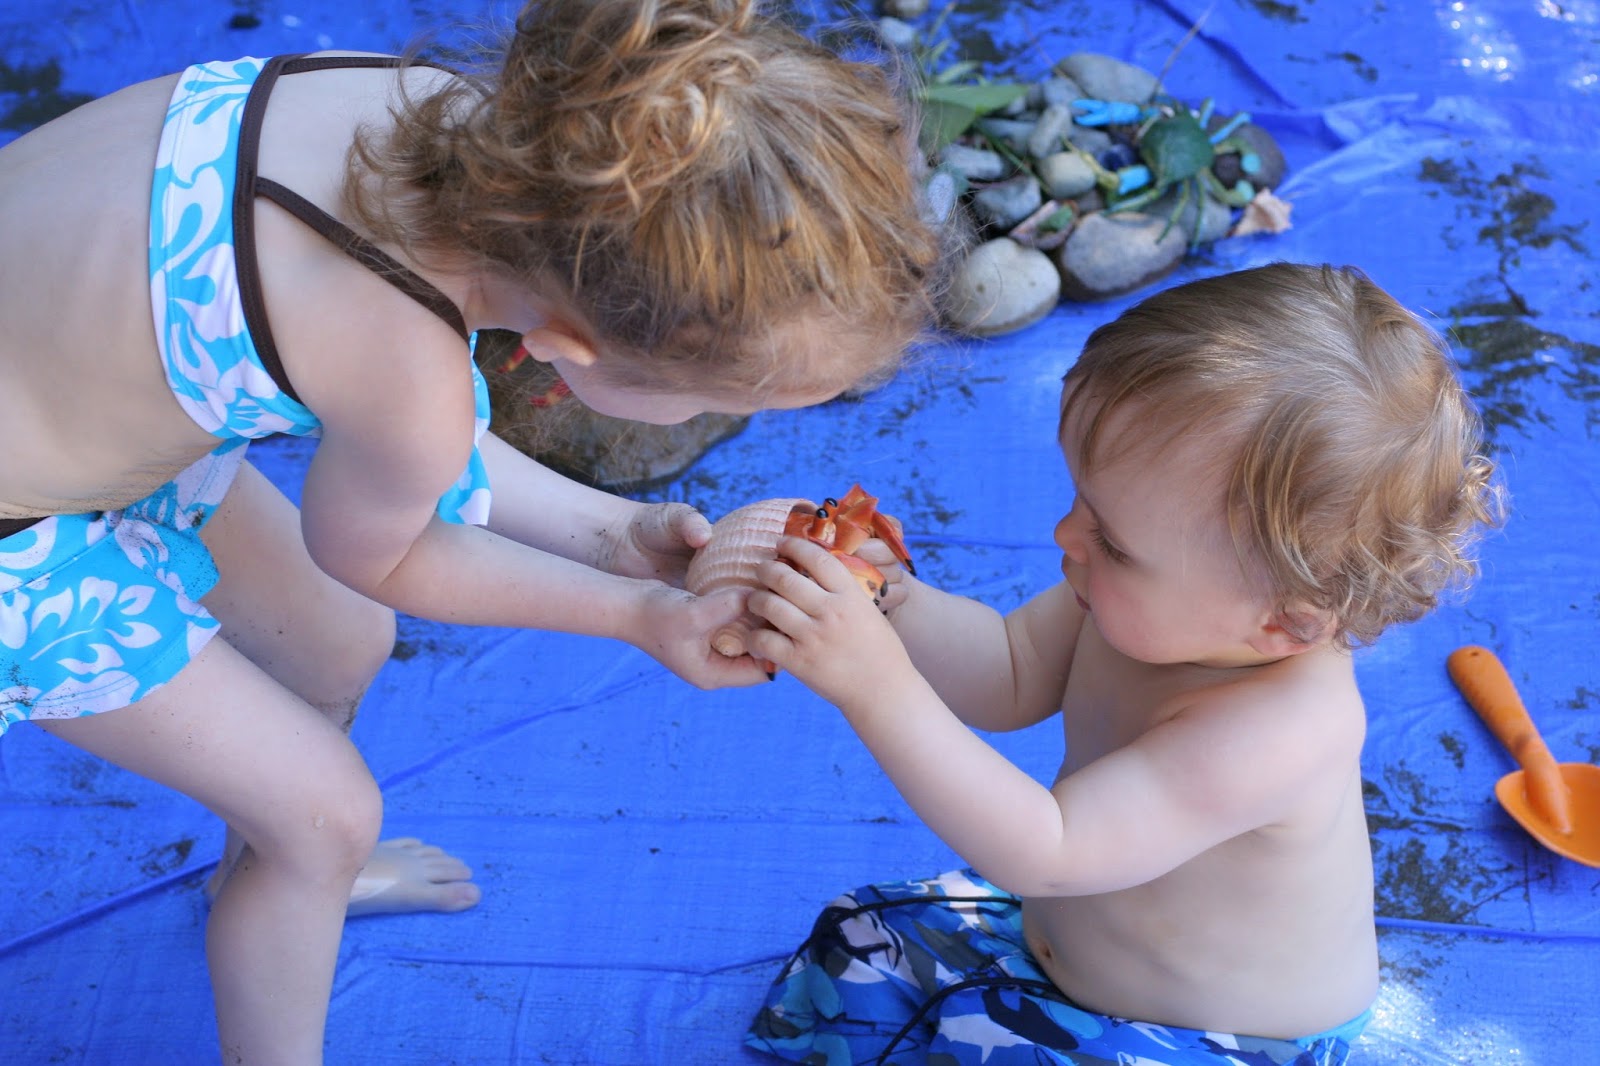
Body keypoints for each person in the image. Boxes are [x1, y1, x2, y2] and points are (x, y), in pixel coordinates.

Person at [0, 1, 946, 1061]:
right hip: (16, 536)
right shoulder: (401, 362)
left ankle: (274, 874)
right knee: (328, 814)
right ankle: (298, 891)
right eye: (723, 403)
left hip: (78, 391)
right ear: (565, 350)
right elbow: (380, 544)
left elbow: (400, 416)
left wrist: (619, 530)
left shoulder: (442, 129)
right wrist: (639, 614)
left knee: (337, 641)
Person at [740, 263, 1502, 1065]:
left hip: (1202, 1039)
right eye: (1082, 503)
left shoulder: (1279, 732)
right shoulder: (1143, 606)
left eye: (1113, 541)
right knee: (858, 937)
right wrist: (888, 599)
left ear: (1289, 620)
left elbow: (1051, 848)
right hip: (1054, 940)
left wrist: (873, 685)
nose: (1067, 538)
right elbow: (1005, 670)